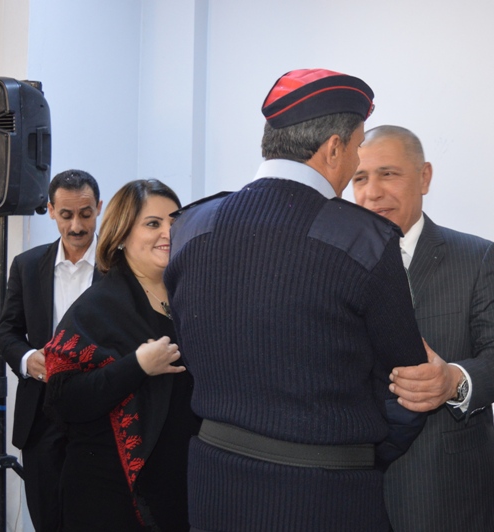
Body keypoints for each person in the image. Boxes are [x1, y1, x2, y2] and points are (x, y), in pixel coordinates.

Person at [164, 69, 428, 531]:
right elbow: (407, 383)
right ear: (333, 148)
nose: (355, 161)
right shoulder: (363, 239)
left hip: (214, 482)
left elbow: (189, 348)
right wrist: (358, 451)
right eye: (357, 147)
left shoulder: (192, 225)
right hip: (325, 493)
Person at [352, 125, 494, 531]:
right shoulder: (337, 262)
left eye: (388, 174)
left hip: (447, 490)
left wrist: (453, 381)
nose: (372, 192)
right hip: (354, 490)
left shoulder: (476, 257)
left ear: (424, 177)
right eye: (359, 178)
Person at [44, 179, 198, 530]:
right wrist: (138, 365)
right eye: (153, 224)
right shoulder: (98, 307)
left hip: (179, 491)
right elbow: (63, 400)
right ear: (122, 235)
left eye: (175, 222)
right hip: (109, 498)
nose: (168, 233)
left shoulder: (191, 298)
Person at [0, 169, 103, 531]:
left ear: (99, 208)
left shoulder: (120, 267)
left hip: (100, 414)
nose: (76, 226)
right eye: (66, 215)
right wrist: (28, 359)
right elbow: (7, 331)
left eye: (85, 214)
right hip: (40, 417)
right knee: (46, 519)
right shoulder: (26, 266)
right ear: (51, 210)